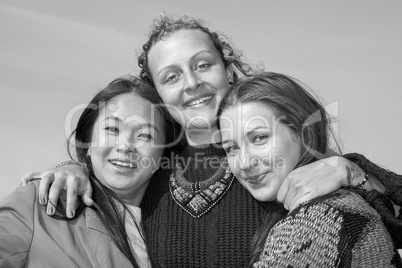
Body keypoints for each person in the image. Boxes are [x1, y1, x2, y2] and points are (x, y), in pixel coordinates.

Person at [21, 15, 402, 267]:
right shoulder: (151, 166)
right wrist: (73, 167)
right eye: (171, 76)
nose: (191, 83)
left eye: (202, 64)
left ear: (227, 68)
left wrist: (351, 172)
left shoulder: (282, 156)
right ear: (157, 93)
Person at [218, 72, 402, 267]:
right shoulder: (338, 202)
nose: (245, 163)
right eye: (232, 148)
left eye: (259, 138)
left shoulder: (314, 221)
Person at [0, 76, 174, 267]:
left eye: (144, 135)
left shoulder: (176, 233)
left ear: (162, 155)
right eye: (112, 129)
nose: (125, 146)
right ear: (88, 143)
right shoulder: (39, 201)